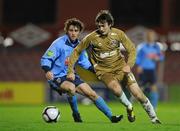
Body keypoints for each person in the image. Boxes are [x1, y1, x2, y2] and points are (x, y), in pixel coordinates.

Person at [67, 10, 161, 124]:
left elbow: (131, 49)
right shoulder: (91, 37)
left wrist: (128, 65)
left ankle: (154, 118)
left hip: (121, 68)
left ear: (110, 24)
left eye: (103, 25)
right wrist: (70, 70)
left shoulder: (118, 34)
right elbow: (76, 52)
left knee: (138, 94)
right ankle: (129, 106)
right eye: (99, 25)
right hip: (104, 71)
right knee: (116, 89)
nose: (101, 28)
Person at [40, 18, 123, 123]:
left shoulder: (80, 46)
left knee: (92, 94)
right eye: (71, 30)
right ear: (67, 31)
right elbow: (46, 58)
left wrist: (98, 71)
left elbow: (85, 63)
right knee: (71, 87)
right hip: (56, 76)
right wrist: (47, 71)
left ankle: (112, 117)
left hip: (71, 75)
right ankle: (76, 113)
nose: (73, 33)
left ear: (79, 32)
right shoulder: (58, 43)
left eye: (76, 30)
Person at [136, 30, 164, 109]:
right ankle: (140, 104)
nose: (150, 37)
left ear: (154, 37)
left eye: (152, 35)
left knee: (154, 87)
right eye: (149, 35)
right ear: (147, 37)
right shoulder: (142, 47)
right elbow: (138, 57)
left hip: (151, 70)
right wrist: (139, 66)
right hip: (143, 69)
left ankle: (154, 106)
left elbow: (161, 57)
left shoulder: (156, 47)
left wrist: (157, 58)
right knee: (140, 88)